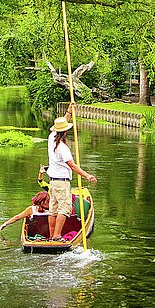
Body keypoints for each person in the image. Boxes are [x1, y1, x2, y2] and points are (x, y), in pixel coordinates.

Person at [46, 102, 97, 242]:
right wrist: (87, 175)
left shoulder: (51, 139)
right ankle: (57, 236)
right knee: (64, 209)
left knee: (53, 210)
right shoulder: (63, 148)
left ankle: (51, 236)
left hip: (53, 182)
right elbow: (73, 166)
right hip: (62, 183)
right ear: (66, 132)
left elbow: (61, 125)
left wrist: (68, 113)